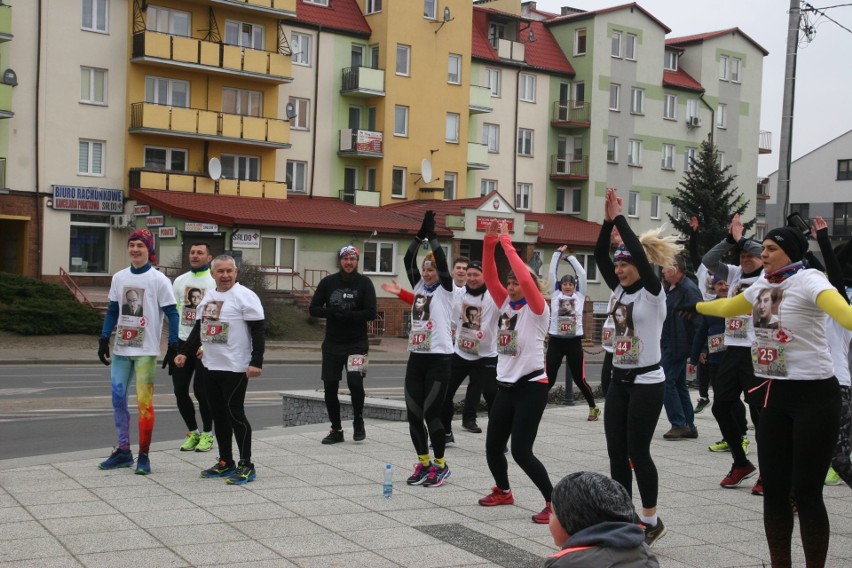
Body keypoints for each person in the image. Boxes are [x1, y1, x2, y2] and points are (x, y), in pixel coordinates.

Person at [690, 225, 852, 567]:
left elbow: (844, 314)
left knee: (807, 494)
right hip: (773, 396)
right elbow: (729, 306)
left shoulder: (809, 280)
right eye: (761, 248)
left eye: (769, 249)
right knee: (775, 492)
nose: (762, 254)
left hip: (815, 396)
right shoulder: (763, 285)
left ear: (790, 252)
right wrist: (698, 307)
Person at [593, 188, 681, 546]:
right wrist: (604, 224)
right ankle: (622, 514)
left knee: (637, 451)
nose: (618, 270)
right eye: (617, 265)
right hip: (620, 380)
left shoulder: (652, 293)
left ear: (639, 266)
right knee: (616, 451)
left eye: (624, 264)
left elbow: (643, 264)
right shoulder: (620, 291)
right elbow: (600, 254)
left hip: (648, 382)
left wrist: (620, 219)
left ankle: (651, 519)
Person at [477, 220, 553, 525]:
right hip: (505, 387)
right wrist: (488, 242)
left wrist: (507, 241)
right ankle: (504, 491)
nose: (511, 286)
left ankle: (553, 501)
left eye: (517, 282)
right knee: (493, 447)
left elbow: (523, 273)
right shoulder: (506, 304)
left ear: (530, 285)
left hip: (531, 386)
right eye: (509, 283)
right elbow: (489, 275)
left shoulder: (537, 309)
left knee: (521, 451)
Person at [175, 255, 265, 485]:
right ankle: (226, 461)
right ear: (213, 274)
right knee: (218, 415)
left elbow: (258, 331)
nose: (225, 275)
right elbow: (200, 327)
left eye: (229, 271)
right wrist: (185, 351)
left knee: (235, 413)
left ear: (236, 272)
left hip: (235, 366)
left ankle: (247, 464)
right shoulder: (210, 297)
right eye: (220, 271)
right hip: (211, 364)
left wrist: (256, 361)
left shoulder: (245, 296)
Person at [96, 229, 178, 475]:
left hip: (146, 350)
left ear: (149, 250)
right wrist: (103, 338)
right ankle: (123, 451)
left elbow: (172, 313)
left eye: (140, 245)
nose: (134, 249)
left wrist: (173, 344)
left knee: (144, 403)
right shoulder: (119, 277)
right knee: (118, 400)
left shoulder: (158, 279)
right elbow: (112, 311)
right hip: (122, 347)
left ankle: (144, 455)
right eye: (131, 245)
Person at [700, 214, 764, 493]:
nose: (747, 258)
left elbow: (765, 251)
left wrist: (744, 240)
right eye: (743, 255)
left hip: (758, 351)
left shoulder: (769, 276)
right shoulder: (736, 274)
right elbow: (708, 262)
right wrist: (729, 240)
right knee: (720, 405)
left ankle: (769, 472)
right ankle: (740, 462)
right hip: (733, 350)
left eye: (752, 254)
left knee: (761, 413)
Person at [401, 210, 454, 487]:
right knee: (413, 414)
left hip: (439, 358)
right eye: (425, 269)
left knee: (432, 414)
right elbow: (407, 258)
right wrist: (419, 236)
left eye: (431, 269)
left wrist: (433, 238)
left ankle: (441, 466)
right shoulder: (419, 285)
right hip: (417, 357)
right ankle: (423, 463)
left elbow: (444, 263)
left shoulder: (447, 289)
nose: (427, 272)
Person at [309, 245, 377, 444]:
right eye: (346, 259)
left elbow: (371, 312)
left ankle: (358, 420)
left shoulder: (365, 283)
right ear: (340, 261)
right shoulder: (328, 282)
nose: (349, 262)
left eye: (353, 259)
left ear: (357, 262)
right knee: (330, 387)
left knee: (355, 382)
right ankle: (336, 429)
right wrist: (332, 312)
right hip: (332, 343)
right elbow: (314, 309)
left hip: (357, 343)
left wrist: (349, 315)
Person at [545, 471, 659, 567]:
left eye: (553, 513)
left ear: (572, 521)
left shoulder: (564, 563)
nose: (550, 518)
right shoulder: (643, 553)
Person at [442, 260, 499, 439]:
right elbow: (452, 321)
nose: (472, 278)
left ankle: (498, 437)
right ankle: (446, 432)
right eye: (470, 274)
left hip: (486, 356)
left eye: (476, 275)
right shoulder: (459, 295)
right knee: (445, 392)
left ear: (484, 276)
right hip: (460, 353)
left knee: (492, 396)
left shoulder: (493, 296)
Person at [169, 242, 216, 453]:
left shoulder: (213, 281)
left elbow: (217, 316)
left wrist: (207, 345)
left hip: (204, 344)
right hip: (182, 342)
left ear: (209, 257)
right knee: (180, 391)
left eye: (200, 253)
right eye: (192, 252)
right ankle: (193, 432)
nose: (195, 256)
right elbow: (174, 313)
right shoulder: (180, 281)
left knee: (201, 391)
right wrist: (173, 344)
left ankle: (207, 433)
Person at [546, 245, 599, 420]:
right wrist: (556, 253)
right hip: (556, 341)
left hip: (574, 342)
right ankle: (534, 406)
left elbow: (582, 274)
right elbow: (552, 273)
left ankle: (593, 408)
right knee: (549, 379)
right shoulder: (555, 295)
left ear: (574, 286)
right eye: (564, 284)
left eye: (570, 284)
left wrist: (570, 258)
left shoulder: (579, 296)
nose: (567, 286)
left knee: (579, 379)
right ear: (559, 285)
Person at [660, 256, 703, 440]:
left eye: (665, 267)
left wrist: (701, 349)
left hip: (678, 343)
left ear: (675, 268)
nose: (662, 271)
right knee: (678, 384)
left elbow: (699, 320)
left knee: (665, 382)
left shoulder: (688, 289)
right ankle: (689, 425)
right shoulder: (670, 287)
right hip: (671, 341)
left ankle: (679, 424)